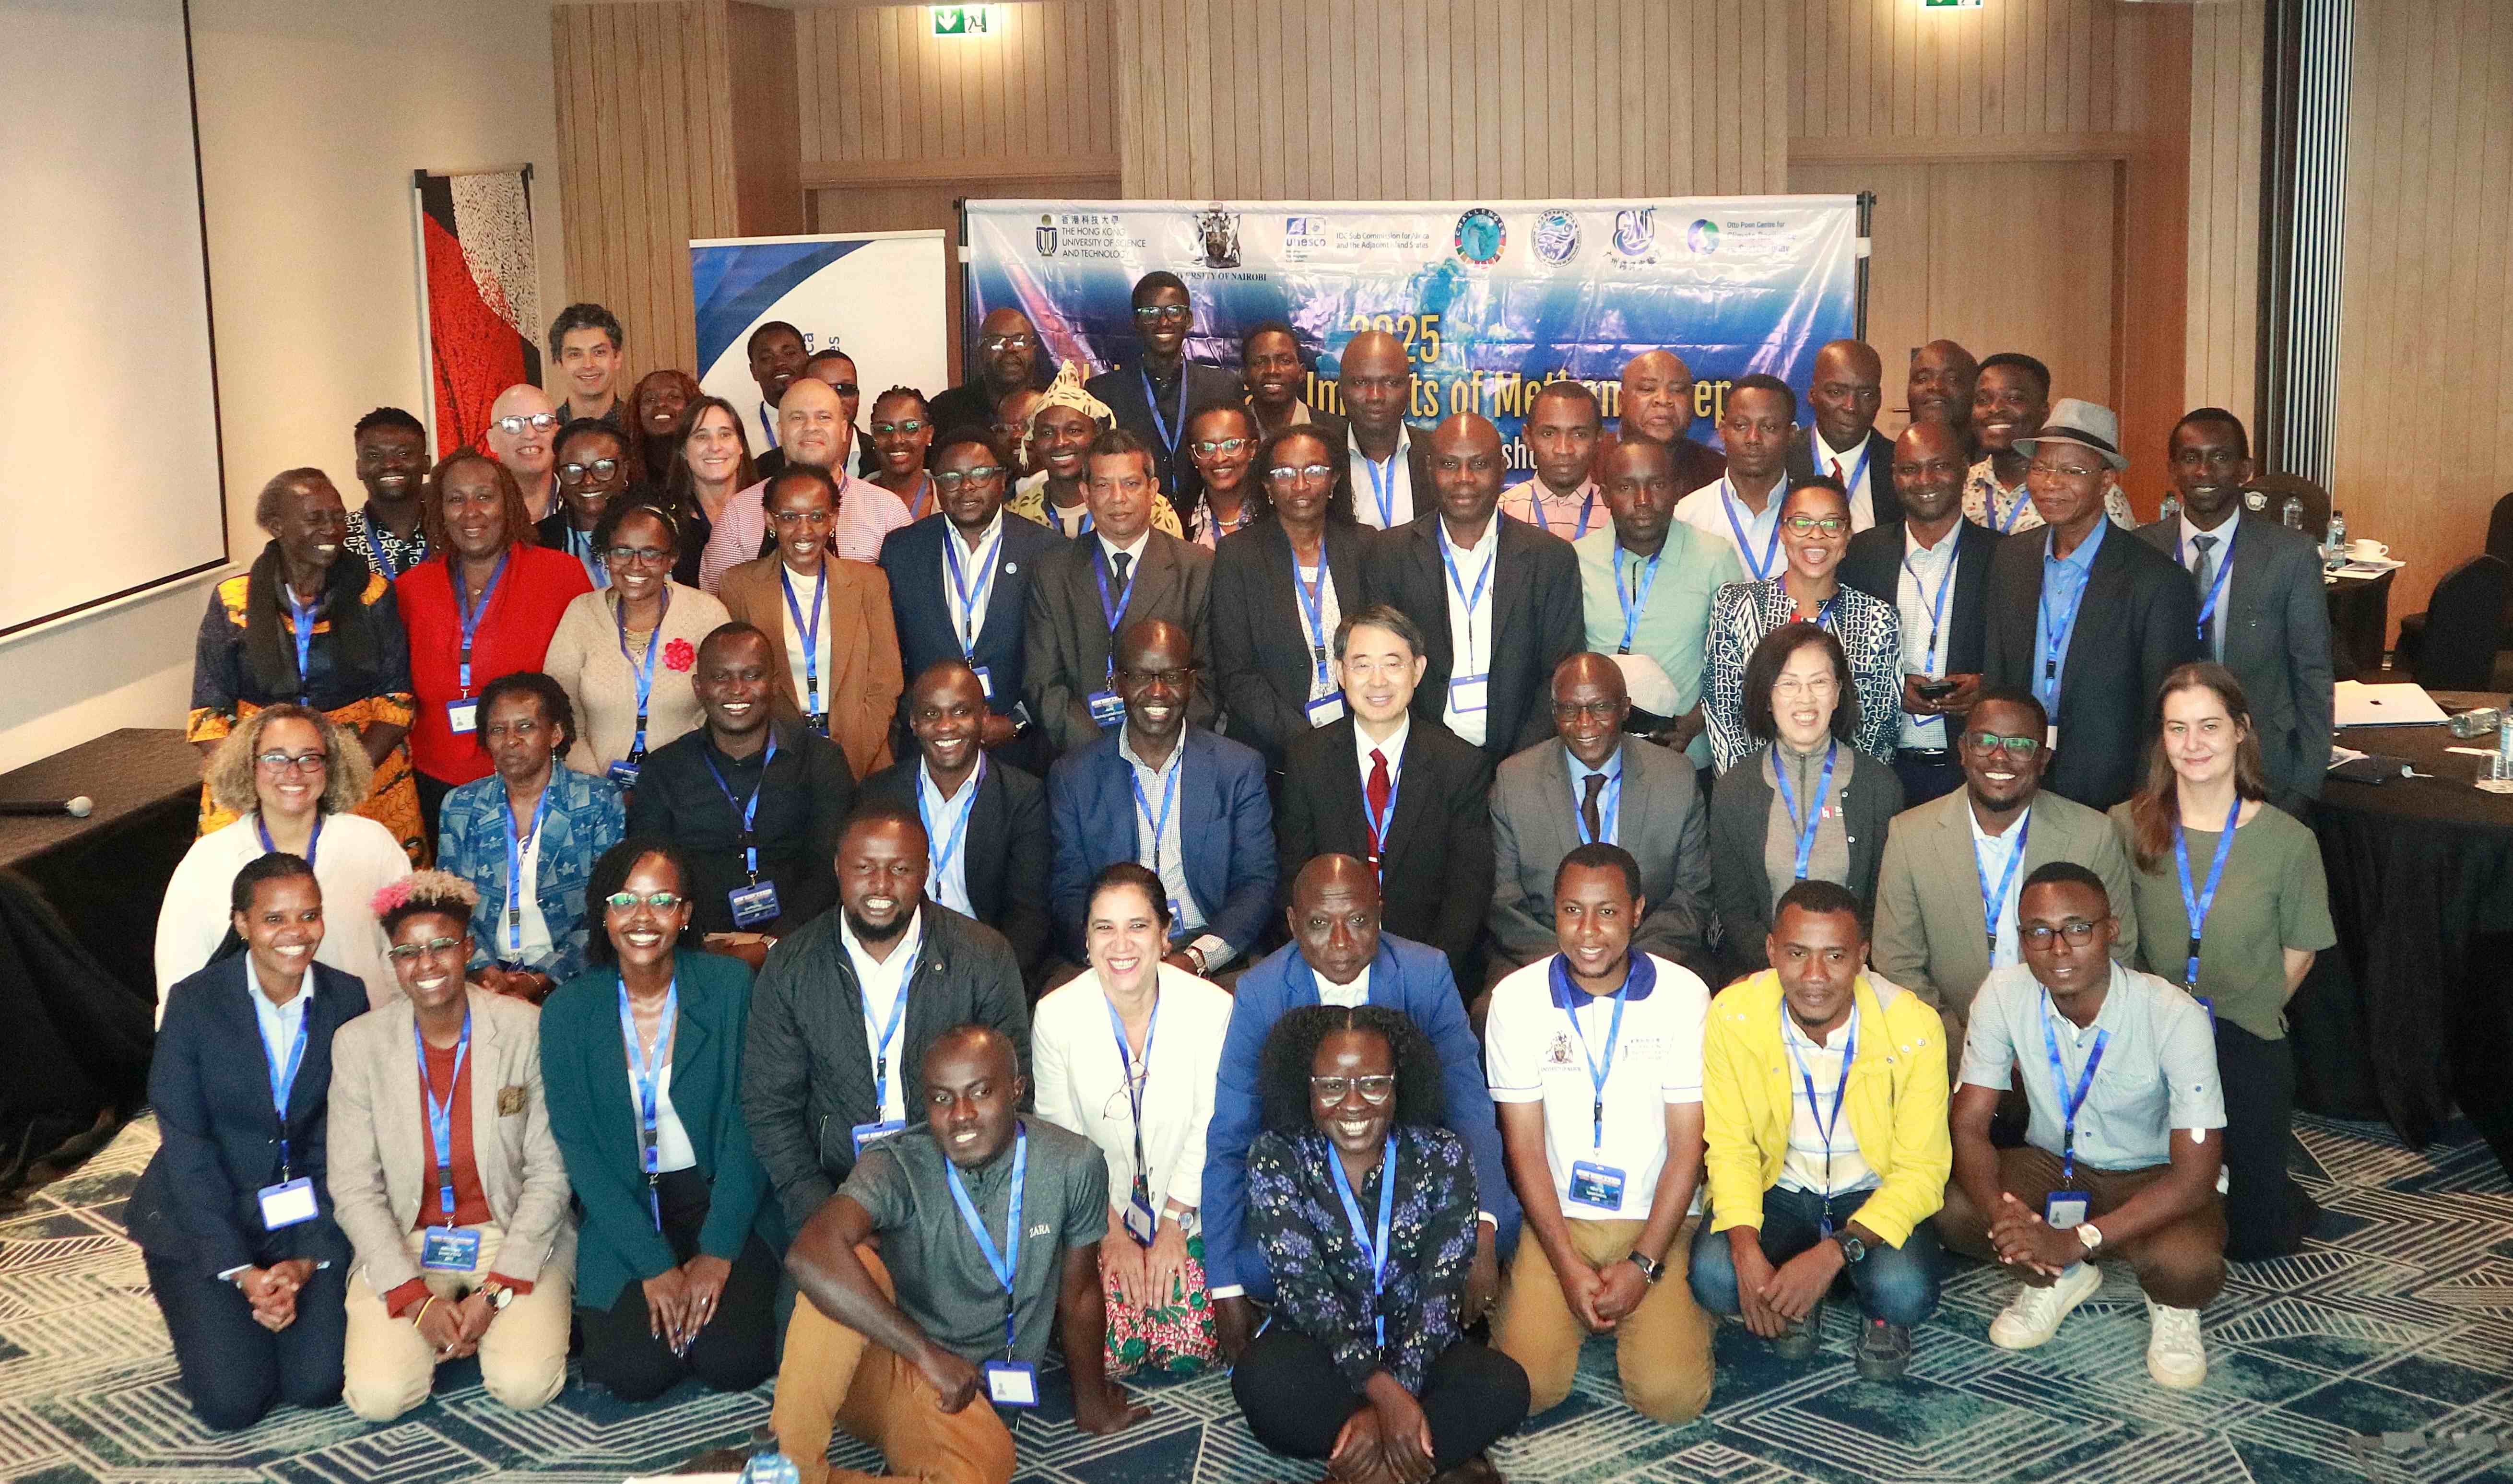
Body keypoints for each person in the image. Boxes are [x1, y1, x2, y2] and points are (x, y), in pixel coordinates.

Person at [769, 1026, 1143, 1484]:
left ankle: (785, 1479)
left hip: (962, 1393)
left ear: (1017, 1090)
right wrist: (924, 1354)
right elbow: (809, 1253)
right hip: (884, 1364)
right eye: (942, 1099)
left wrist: (1094, 1407)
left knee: (985, 1470)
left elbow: (1081, 1293)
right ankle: (786, 1464)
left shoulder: (1073, 1164)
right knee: (848, 1264)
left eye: (981, 1092)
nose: (961, 1115)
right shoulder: (896, 1162)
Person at [1202, 856, 1517, 1361]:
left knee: (1495, 1233)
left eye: (1359, 921)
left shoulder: (1424, 972)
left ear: (1380, 912)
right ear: (1291, 924)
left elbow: (1469, 1109)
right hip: (1307, 1194)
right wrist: (1224, 1288)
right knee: (1250, 1265)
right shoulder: (1261, 992)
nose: (1342, 943)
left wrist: (1480, 1225)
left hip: (1409, 1184)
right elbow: (1230, 1136)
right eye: (1320, 924)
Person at [1940, 862, 2228, 1390]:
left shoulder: (2172, 1014)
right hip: (2053, 1168)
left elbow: (2195, 1176)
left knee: (2188, 1268)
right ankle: (2060, 1277)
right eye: (2038, 932)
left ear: (2110, 931)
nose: (2058, 948)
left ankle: (2165, 1305)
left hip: (2151, 1175)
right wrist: (2004, 1218)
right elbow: (1969, 1125)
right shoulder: (2002, 994)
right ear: (2021, 938)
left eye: (2077, 928)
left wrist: (2076, 1238)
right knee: (1953, 1208)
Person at [1235, 1005, 1532, 1480]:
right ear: (1305, 1086)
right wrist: (1387, 1396)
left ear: (1399, 1083)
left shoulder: (1443, 1154)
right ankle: (1422, 1457)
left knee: (1505, 1386)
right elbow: (1305, 1291)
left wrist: (1397, 1392)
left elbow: (1441, 1294)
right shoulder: (1277, 1155)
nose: (1353, 1103)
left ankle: (1368, 1462)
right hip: (1321, 1349)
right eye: (1332, 1085)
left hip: (1419, 1347)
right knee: (1262, 1382)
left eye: (1373, 1082)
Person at [539, 838, 784, 1401]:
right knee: (634, 1371)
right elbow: (580, 1152)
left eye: (662, 901)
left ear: (686, 914)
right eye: (625, 900)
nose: (643, 918)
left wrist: (718, 1251)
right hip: (627, 1207)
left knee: (733, 1361)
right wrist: (655, 1265)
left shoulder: (728, 988)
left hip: (719, 1198)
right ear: (602, 912)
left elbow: (752, 1125)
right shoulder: (567, 1013)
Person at [129, 853, 366, 1430]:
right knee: (233, 1403)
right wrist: (242, 1271)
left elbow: (351, 1141)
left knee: (318, 1383)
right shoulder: (194, 1005)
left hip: (304, 1213)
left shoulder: (347, 1000)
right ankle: (212, 1307)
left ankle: (273, 1304)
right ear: (242, 923)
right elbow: (187, 1149)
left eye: (309, 916)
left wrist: (307, 1257)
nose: (296, 934)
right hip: (204, 1218)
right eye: (275, 919)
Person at [328, 871, 575, 1421]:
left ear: (467, 948)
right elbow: (352, 1186)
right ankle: (440, 1325)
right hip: (409, 1233)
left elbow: (551, 1173)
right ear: (393, 962)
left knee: (525, 1384)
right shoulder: (358, 1045)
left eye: (442, 945)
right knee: (379, 1398)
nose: (427, 964)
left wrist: (493, 1296)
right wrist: (414, 1299)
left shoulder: (525, 1029)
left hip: (507, 1228)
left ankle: (479, 1321)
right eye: (408, 952)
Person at [2111, 664, 2334, 1261]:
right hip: (2149, 1034)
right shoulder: (2125, 825)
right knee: (2141, 1210)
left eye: (2209, 726)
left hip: (2245, 1032)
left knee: (2254, 1239)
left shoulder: (2289, 841)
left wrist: (2237, 1018)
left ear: (2241, 731)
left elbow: (2300, 951)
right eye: (2177, 729)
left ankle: (2248, 1179)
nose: (2193, 745)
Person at [1487, 843, 1716, 1423]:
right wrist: (1565, 1264)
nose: (1589, 932)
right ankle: (1551, 1292)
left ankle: (1671, 1300)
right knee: (1525, 1390)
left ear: (1637, 911)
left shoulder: (1683, 995)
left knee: (1672, 1400)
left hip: (1658, 1219)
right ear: (1554, 913)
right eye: (1572, 911)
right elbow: (1525, 1151)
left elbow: (1688, 1148)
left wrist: (1643, 1266)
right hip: (1560, 1218)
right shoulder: (1515, 1000)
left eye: (1607, 912)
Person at [1689, 880, 1948, 1378]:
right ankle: (1799, 1291)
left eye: (1834, 956)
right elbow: (1731, 1147)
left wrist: (1834, 1253)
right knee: (1715, 1277)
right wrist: (1745, 1251)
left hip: (1870, 1193)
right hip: (1779, 1189)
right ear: (1770, 951)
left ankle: (1850, 1296)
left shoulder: (1913, 1025)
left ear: (1861, 957)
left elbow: (1921, 1172)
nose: (1814, 976)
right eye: (1796, 953)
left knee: (1905, 1293)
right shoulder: (1734, 1013)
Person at [743, 809, 1034, 1231]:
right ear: (837, 868)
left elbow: (1013, 1091)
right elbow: (770, 1106)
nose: (881, 885)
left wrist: (968, 1202)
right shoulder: (791, 965)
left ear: (925, 873)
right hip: (835, 1190)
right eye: (863, 868)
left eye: (900, 869)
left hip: (959, 1189)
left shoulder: (983, 956)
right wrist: (827, 1218)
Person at [1033, 864, 1233, 1377]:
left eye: (1137, 926)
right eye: (1104, 927)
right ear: (1086, 939)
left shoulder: (1211, 1008)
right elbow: (1063, 1142)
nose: (1120, 944)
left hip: (1185, 1198)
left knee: (1185, 1349)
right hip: (1101, 1204)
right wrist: (1110, 1232)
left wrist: (1173, 1226)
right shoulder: (1056, 1015)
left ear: (1165, 934)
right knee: (1113, 1354)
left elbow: (1210, 1127)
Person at [1871, 688, 2138, 1052]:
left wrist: (2050, 1048)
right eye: (1984, 741)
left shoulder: (2093, 835)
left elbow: (2115, 952)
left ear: (2042, 759)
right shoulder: (1909, 836)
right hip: (1944, 1051)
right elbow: (1896, 965)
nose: (1999, 757)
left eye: (2019, 745)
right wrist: (1968, 1051)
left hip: (2066, 1052)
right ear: (1963, 751)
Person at [189, 467, 423, 860]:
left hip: (361, 768)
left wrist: (335, 779)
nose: (332, 529)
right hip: (257, 773)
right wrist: (266, 779)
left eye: (337, 517)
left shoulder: (374, 594)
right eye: (315, 518)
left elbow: (395, 704)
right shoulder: (232, 600)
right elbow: (208, 714)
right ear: (278, 526)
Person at [1982, 399, 2201, 812]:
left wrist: (2145, 801)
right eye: (2042, 468)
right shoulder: (2011, 559)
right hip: (2014, 776)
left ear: (2106, 482)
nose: (2051, 484)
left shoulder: (2156, 580)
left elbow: (2165, 709)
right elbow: (1997, 677)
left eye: (2072, 471)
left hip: (2110, 792)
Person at [1048, 618, 1275, 978]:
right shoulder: (1074, 776)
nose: (1157, 692)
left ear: (1191, 682)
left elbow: (1256, 883)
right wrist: (1116, 954)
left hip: (1208, 951)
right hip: (1112, 953)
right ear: (1118, 683)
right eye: (1140, 677)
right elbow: (1068, 891)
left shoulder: (1238, 768)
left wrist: (1196, 959)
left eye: (1171, 676)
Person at [1279, 607, 1493, 988]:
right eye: (1362, 666)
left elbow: (1467, 893)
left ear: (1418, 670)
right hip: (1327, 964)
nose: (1378, 681)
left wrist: (1425, 974)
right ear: (1342, 674)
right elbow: (1294, 879)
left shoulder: (1460, 766)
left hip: (1430, 965)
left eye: (1393, 664)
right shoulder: (1306, 761)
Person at [2133, 409, 2334, 810]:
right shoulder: (2140, 550)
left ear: (2245, 469)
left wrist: (2307, 781)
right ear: (2173, 469)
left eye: (2220, 458)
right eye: (2190, 458)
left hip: (2262, 761)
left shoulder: (2289, 555)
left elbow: (2312, 675)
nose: (2204, 471)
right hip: (2159, 765)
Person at [156, 706, 412, 1016]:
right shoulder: (206, 862)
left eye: (310, 758)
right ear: (249, 766)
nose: (294, 773)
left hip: (364, 1041)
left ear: (331, 767)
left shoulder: (372, 845)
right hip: (250, 1054)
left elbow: (403, 956)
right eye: (276, 758)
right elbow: (179, 986)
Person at [1366, 413, 1584, 764]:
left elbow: (1561, 672)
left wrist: (1519, 764)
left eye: (1479, 464)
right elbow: (1383, 667)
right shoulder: (1389, 555)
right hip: (1420, 764)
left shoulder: (1550, 559)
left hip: (1524, 761)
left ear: (1502, 468)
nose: (1463, 479)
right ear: (1428, 469)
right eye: (1449, 464)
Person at [396, 451, 593, 837]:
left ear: (509, 503)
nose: (471, 512)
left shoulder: (560, 576)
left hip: (535, 777)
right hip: (437, 780)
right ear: (439, 510)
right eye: (456, 499)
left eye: (485, 497)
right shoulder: (410, 589)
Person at [1490, 654, 1716, 985]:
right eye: (1569, 709)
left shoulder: (1675, 778)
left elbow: (1691, 895)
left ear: (1625, 709)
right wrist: (1575, 963)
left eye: (1599, 708)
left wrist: (1625, 965)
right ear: (1554, 712)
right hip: (1542, 956)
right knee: (1486, 1010)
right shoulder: (1514, 780)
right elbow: (1504, 902)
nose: (1584, 723)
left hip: (1654, 955)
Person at [626, 623, 858, 945]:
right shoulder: (665, 769)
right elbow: (651, 877)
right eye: (720, 677)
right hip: (695, 948)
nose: (737, 689)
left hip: (804, 943)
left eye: (752, 675)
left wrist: (774, 944)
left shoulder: (820, 760)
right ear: (698, 687)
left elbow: (832, 868)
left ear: (774, 684)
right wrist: (697, 947)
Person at [1708, 624, 1905, 979]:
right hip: (1763, 973)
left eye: (1818, 683)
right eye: (1788, 684)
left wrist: (1841, 967)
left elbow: (1885, 907)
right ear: (1767, 697)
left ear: (1837, 693)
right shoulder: (1734, 790)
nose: (1805, 699)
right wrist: (1783, 968)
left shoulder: (1879, 787)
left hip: (1854, 976)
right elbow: (1734, 910)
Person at [1838, 420, 2003, 805]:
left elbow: (2021, 652)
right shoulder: (1862, 554)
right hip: (1879, 761)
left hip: (1968, 764)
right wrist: (1889, 685)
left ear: (1964, 469)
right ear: (1894, 477)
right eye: (1910, 469)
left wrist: (1987, 686)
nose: (1924, 480)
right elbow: (1839, 649)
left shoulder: (2003, 556)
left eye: (1939, 466)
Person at [859, 660, 1054, 982]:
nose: (946, 726)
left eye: (961, 712)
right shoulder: (878, 794)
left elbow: (1029, 916)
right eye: (931, 714)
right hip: (896, 965)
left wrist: (990, 981)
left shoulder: (1022, 797)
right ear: (913, 722)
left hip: (987, 966)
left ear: (985, 719)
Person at [1024, 428, 1215, 755]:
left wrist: (1155, 748)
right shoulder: (1051, 571)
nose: (1117, 498)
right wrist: (1100, 752)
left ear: (1152, 490)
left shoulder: (1197, 567)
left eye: (1130, 484)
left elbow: (1209, 681)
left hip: (1174, 755)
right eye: (1102, 485)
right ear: (1085, 493)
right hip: (1082, 758)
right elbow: (1044, 684)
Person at [436, 673, 626, 1001]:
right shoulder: (461, 805)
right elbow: (449, 906)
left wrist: (542, 979)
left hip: (574, 982)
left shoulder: (597, 800)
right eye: (498, 730)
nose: (510, 740)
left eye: (525, 727)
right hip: (482, 983)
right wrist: (485, 972)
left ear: (555, 734)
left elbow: (607, 909)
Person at [880, 426, 1062, 766]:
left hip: (1018, 749)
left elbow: (1058, 661)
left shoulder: (1045, 551)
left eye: (980, 474)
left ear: (1002, 479)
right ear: (936, 483)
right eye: (951, 476)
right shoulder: (902, 550)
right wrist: (925, 722)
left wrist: (1018, 722)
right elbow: (890, 657)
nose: (966, 487)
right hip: (928, 749)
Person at [717, 465, 904, 780]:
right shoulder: (739, 585)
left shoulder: (869, 582)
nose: (804, 531)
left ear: (833, 520)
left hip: (863, 759)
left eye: (817, 516)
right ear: (769, 520)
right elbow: (739, 685)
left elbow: (886, 681)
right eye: (789, 517)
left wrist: (850, 758)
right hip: (774, 763)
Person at [1573, 429, 1745, 770]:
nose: (1642, 500)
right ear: (1605, 495)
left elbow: (1737, 662)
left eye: (1657, 485)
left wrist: (1694, 723)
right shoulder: (1575, 561)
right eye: (1625, 487)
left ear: (1679, 489)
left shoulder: (1715, 557)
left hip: (1687, 755)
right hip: (1597, 757)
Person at [1704, 478, 1903, 770]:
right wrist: (1754, 790)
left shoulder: (1878, 619)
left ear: (1848, 536)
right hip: (1756, 791)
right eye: (1801, 523)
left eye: (1832, 525)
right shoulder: (1736, 606)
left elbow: (1880, 730)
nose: (1816, 536)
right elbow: (1723, 713)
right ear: (1782, 533)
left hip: (1844, 796)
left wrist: (1845, 792)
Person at [1210, 425, 1371, 772]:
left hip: (1359, 745)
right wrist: (1305, 741)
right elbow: (1237, 674)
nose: (1300, 486)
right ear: (1266, 486)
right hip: (1268, 757)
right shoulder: (1238, 556)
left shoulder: (1366, 547)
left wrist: (1353, 733)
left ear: (1334, 480)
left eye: (1314, 471)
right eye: (1284, 473)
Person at [543, 500, 731, 785]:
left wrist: (682, 779)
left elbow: (722, 707)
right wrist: (598, 787)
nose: (635, 565)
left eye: (651, 553)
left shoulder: (707, 613)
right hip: (594, 788)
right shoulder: (581, 613)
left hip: (688, 786)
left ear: (672, 559)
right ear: (606, 556)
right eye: (622, 552)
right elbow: (561, 712)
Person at [698, 377, 914, 593]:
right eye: (797, 418)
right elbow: (716, 605)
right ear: (780, 431)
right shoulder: (739, 513)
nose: (811, 427)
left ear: (843, 430)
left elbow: (907, 600)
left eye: (823, 417)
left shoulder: (887, 511)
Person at [1085, 270, 1243, 509]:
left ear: (1189, 319)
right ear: (1135, 322)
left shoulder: (1222, 387)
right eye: (1150, 313)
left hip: (1207, 523)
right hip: (1133, 520)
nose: (1163, 322)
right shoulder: (1103, 392)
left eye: (1174, 311)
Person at [1961, 353, 2140, 535]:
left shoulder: (2096, 494)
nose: (1995, 408)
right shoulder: (1958, 485)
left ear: (2044, 412)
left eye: (2014, 398)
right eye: (1983, 400)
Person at [1008, 364, 1186, 539]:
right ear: (1033, 441)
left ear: (1098, 433)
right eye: (1047, 433)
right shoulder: (1018, 514)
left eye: (1074, 431)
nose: (1060, 442)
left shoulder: (1149, 509)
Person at [1672, 374, 1800, 586]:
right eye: (1741, 426)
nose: (1753, 439)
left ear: (1792, 434)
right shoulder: (1687, 516)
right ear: (1723, 432)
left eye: (1769, 427)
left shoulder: (1815, 518)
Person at [1783, 339, 1902, 530]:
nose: (1851, 406)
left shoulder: (1901, 465)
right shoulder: (1781, 459)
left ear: (1879, 399)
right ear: (1812, 395)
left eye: (1866, 394)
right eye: (1836, 392)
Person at [1335, 329, 1434, 530]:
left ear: (1409, 388)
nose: (1375, 396)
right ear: (1341, 389)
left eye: (1390, 382)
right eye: (1361, 382)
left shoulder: (1437, 454)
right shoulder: (1322, 458)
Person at [661, 396, 758, 589]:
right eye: (701, 436)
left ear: (740, 446)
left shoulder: (769, 509)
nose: (715, 447)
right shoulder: (665, 520)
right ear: (683, 450)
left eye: (725, 435)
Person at [1596, 351, 1725, 496]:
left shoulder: (1719, 474)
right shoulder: (1587, 464)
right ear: (1621, 402)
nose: (1663, 400)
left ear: (1693, 403)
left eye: (1677, 390)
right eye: (1648, 389)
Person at [537, 418, 640, 588]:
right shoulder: (538, 541)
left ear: (625, 469)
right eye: (573, 470)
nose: (589, 481)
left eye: (603, 468)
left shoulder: (657, 531)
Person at [1499, 380, 1605, 536]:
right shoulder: (1502, 510)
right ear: (1528, 438)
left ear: (1598, 439)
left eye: (1579, 435)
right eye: (1549, 434)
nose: (1563, 450)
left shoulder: (1617, 513)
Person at [927, 306, 1048, 437]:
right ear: (980, 352)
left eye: (1019, 341)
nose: (1010, 348)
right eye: (997, 342)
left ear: (1034, 351)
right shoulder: (946, 408)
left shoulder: (1054, 401)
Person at [344, 407, 433, 580]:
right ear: (359, 469)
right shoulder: (338, 539)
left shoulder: (452, 534)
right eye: (375, 455)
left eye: (404, 454)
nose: (390, 464)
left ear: (426, 463)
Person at [1241, 318, 1349, 444]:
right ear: (1245, 375)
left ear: (1302, 373)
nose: (1272, 370)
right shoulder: (1230, 433)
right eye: (1260, 362)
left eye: (1285, 361)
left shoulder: (1337, 433)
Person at [1181, 402, 1264, 548]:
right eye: (1207, 448)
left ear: (1252, 450)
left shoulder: (1276, 514)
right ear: (1193, 456)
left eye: (1232, 445)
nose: (1220, 458)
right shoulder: (1179, 520)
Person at [484, 384, 563, 523]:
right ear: (492, 440)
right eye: (512, 424)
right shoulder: (476, 513)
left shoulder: (583, 505)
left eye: (542, 421)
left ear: (557, 434)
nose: (530, 435)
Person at [547, 302, 627, 425]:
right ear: (559, 363)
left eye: (599, 352)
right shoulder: (546, 433)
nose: (588, 364)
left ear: (617, 359)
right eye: (575, 354)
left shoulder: (641, 430)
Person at [868, 386, 940, 520]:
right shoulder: (851, 500)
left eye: (910, 428)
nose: (896, 440)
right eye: (884, 429)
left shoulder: (950, 498)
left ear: (929, 434)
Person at [1905, 339, 1980, 457]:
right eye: (1923, 379)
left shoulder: (1997, 467)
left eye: (1952, 379)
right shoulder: (1888, 465)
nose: (1935, 386)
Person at [743, 319, 810, 452]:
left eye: (790, 354)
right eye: (767, 358)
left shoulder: (828, 420)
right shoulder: (740, 431)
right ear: (754, 372)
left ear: (807, 359)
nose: (780, 363)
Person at [628, 368, 700, 488]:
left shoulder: (709, 463)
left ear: (692, 405)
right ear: (637, 411)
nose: (661, 404)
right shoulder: (626, 468)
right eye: (650, 399)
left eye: (673, 397)